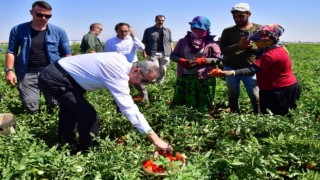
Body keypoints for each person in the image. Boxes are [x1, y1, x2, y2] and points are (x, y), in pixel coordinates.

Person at [38, 52, 173, 153]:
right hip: (56, 79)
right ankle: (89, 152)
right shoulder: (118, 74)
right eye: (145, 81)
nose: (144, 84)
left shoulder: (120, 59)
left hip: (61, 75)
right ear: (137, 70)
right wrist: (155, 139)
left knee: (71, 111)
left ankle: (64, 143)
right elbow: (129, 109)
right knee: (89, 116)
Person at [215, 24, 301, 116]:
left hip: (280, 90)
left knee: (276, 117)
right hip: (277, 87)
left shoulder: (271, 54)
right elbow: (256, 52)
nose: (255, 43)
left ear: (268, 41)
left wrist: (231, 72)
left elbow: (252, 69)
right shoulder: (272, 47)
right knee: (278, 115)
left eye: (258, 40)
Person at [5, 1, 71, 113]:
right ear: (31, 12)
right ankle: (34, 119)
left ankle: (50, 122)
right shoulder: (18, 29)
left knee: (54, 104)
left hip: (52, 72)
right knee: (30, 104)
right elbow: (11, 51)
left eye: (48, 16)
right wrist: (9, 71)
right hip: (27, 72)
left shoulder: (59, 32)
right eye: (40, 14)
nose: (44, 18)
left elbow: (67, 54)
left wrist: (70, 74)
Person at [170, 16, 221, 114]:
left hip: (204, 77)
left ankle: (203, 118)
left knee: (204, 102)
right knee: (185, 103)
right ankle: (185, 119)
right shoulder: (183, 41)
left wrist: (202, 61)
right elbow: (173, 55)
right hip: (185, 77)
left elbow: (218, 59)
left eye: (200, 30)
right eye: (194, 29)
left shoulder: (211, 43)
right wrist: (182, 61)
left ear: (206, 30)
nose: (197, 31)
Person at [219, 2, 261, 113]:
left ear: (249, 14)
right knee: (233, 94)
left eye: (241, 16)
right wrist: (238, 46)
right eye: (235, 16)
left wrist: (253, 46)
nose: (237, 19)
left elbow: (266, 48)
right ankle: (234, 115)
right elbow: (222, 49)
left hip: (250, 68)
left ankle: (259, 116)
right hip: (230, 67)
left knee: (255, 94)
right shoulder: (227, 31)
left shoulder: (259, 29)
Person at [104, 23, 148, 101]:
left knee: (139, 83)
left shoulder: (132, 39)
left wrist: (134, 36)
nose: (124, 33)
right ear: (116, 31)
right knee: (121, 85)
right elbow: (106, 55)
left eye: (126, 31)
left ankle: (145, 100)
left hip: (132, 65)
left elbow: (142, 47)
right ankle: (123, 102)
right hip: (118, 66)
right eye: (121, 31)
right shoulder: (110, 41)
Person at [142, 15, 174, 84]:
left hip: (165, 53)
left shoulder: (168, 30)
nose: (161, 22)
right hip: (152, 52)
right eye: (159, 20)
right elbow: (144, 42)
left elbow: (170, 41)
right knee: (154, 68)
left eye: (162, 20)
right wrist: (144, 51)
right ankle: (152, 82)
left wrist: (173, 50)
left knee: (163, 69)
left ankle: (160, 82)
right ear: (155, 20)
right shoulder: (148, 30)